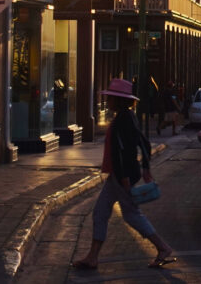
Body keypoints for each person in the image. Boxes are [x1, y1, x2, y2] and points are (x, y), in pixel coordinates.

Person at [72, 78, 175, 271]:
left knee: (131, 214)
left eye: (111, 98)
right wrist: (145, 167)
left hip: (122, 175)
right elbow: (143, 142)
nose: (108, 101)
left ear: (118, 100)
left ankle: (163, 247)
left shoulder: (123, 119)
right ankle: (92, 256)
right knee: (100, 212)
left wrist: (126, 177)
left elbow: (123, 151)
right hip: (118, 175)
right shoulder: (128, 116)